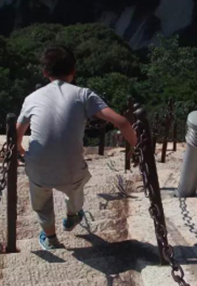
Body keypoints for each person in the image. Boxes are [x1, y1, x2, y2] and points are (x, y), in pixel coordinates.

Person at [16, 45, 137, 251]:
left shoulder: (32, 98)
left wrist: (20, 151)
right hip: (71, 169)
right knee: (75, 190)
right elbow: (122, 122)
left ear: (45, 72)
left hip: (38, 167)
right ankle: (72, 215)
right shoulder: (83, 94)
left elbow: (17, 132)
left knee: (41, 202)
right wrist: (138, 148)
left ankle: (51, 238)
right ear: (73, 71)